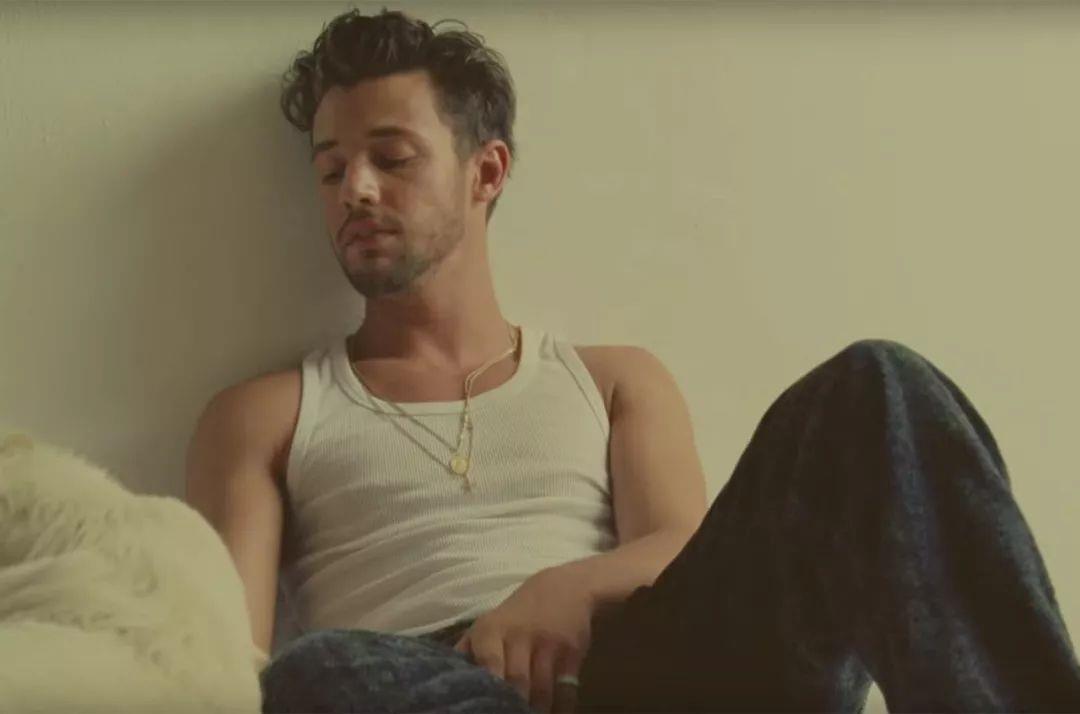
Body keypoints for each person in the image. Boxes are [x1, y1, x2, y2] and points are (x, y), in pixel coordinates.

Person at [185, 7, 1080, 713]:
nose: (356, 190)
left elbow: (682, 551)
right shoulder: (267, 413)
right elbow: (225, 671)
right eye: (331, 169)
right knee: (310, 676)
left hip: (645, 673)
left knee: (877, 389)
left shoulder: (612, 380)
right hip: (417, 681)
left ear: (486, 173)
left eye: (391, 158)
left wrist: (568, 591)